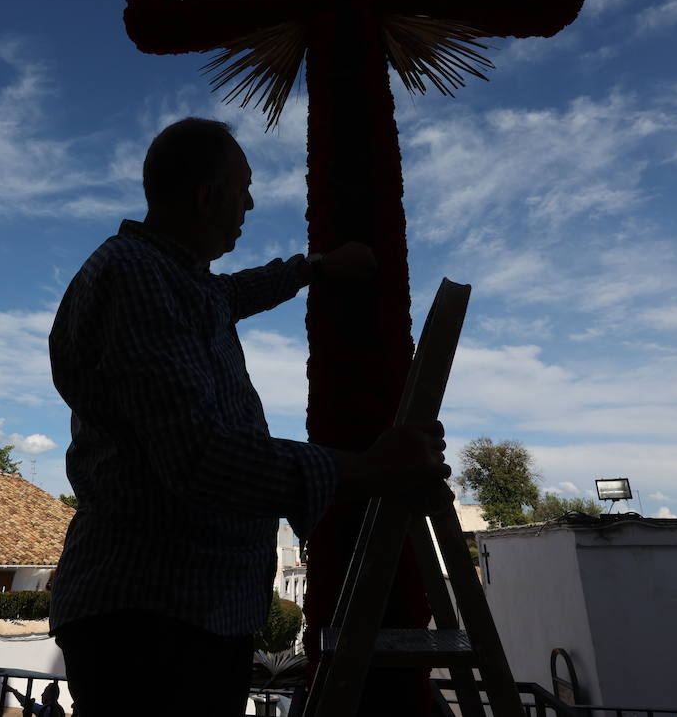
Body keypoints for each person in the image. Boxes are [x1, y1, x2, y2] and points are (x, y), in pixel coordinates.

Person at [48, 117, 450, 716]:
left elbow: (234, 293)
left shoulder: (174, 280)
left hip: (179, 613)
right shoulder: (136, 277)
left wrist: (312, 269)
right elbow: (199, 456)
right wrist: (364, 469)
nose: (252, 202)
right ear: (208, 197)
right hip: (154, 622)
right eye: (244, 188)